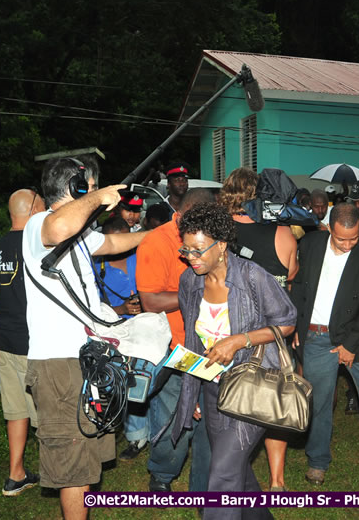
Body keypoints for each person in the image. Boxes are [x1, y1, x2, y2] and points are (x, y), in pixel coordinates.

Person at [22, 157, 147, 520]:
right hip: (58, 363)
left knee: (86, 450)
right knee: (72, 462)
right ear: (77, 188)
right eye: (90, 186)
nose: (96, 192)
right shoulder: (40, 224)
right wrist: (97, 197)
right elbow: (59, 226)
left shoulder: (76, 231)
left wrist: (161, 235)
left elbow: (111, 242)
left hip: (86, 357)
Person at [171, 202, 297, 519]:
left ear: (222, 245)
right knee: (235, 468)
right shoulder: (190, 281)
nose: (191, 257)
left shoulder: (253, 276)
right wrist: (192, 389)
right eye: (186, 250)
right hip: (213, 388)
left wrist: (239, 340)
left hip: (252, 387)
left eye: (198, 250)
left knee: (223, 474)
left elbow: (287, 322)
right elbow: (193, 339)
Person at [289, 203, 359, 491]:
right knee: (319, 403)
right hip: (316, 336)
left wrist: (349, 345)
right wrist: (296, 326)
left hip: (358, 339)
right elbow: (299, 287)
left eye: (354, 238)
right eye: (341, 239)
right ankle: (318, 461)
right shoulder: (311, 245)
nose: (348, 245)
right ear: (329, 229)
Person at [218, 167, 298, 491]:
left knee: (232, 402)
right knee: (274, 402)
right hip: (273, 331)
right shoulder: (283, 233)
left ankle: (232, 470)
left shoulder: (220, 232)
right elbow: (291, 275)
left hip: (230, 329)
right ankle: (277, 480)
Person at [137, 188, 215, 492]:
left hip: (211, 345)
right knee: (175, 417)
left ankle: (206, 484)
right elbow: (150, 301)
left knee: (211, 418)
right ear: (179, 215)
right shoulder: (156, 242)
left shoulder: (212, 237)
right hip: (176, 349)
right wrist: (195, 294)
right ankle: (162, 475)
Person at [0, 188, 45, 496]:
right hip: (34, 344)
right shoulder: (37, 245)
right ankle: (58, 474)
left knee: (16, 410)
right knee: (46, 413)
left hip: (6, 341)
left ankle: (16, 475)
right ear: (34, 209)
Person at [94, 217, 146, 459]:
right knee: (127, 382)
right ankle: (136, 436)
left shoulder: (140, 257)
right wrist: (121, 309)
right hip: (116, 333)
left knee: (149, 379)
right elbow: (91, 307)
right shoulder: (96, 266)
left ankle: (154, 432)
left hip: (148, 327)